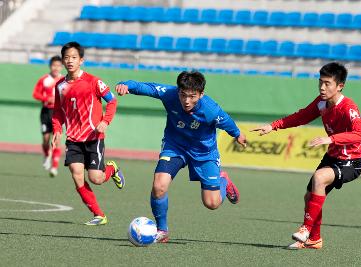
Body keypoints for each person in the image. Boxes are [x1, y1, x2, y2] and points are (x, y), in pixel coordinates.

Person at [115, 71, 247, 242]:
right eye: (183, 95)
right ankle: (162, 230)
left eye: (192, 96)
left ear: (201, 94)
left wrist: (237, 134)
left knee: (212, 203)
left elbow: (227, 121)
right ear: (178, 91)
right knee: (159, 186)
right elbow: (147, 87)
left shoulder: (211, 109)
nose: (186, 100)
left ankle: (223, 180)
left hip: (204, 152)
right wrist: (127, 85)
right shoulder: (169, 94)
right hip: (175, 146)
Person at [252, 62, 361, 249]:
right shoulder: (321, 103)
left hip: (352, 160)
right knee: (309, 196)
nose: (322, 87)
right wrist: (273, 126)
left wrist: (331, 139)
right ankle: (315, 239)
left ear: (340, 86)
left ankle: (305, 229)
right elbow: (301, 116)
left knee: (319, 178)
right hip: (333, 157)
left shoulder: (348, 107)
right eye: (320, 82)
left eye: (327, 83)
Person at [52, 42, 125, 225]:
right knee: (76, 174)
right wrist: (57, 130)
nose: (70, 61)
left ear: (81, 60)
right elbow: (58, 111)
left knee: (96, 178)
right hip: (73, 139)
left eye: (74, 57)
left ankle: (112, 169)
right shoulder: (60, 86)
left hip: (93, 137)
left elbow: (112, 101)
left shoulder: (94, 81)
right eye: (66, 57)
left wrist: (105, 121)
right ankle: (99, 215)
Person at [32, 55, 63, 177]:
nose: (56, 68)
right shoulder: (44, 80)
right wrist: (46, 98)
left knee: (57, 140)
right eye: (54, 65)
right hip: (45, 112)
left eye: (58, 65)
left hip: (58, 113)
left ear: (62, 67)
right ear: (50, 66)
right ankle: (46, 155)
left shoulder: (65, 81)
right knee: (46, 140)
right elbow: (35, 94)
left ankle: (54, 167)